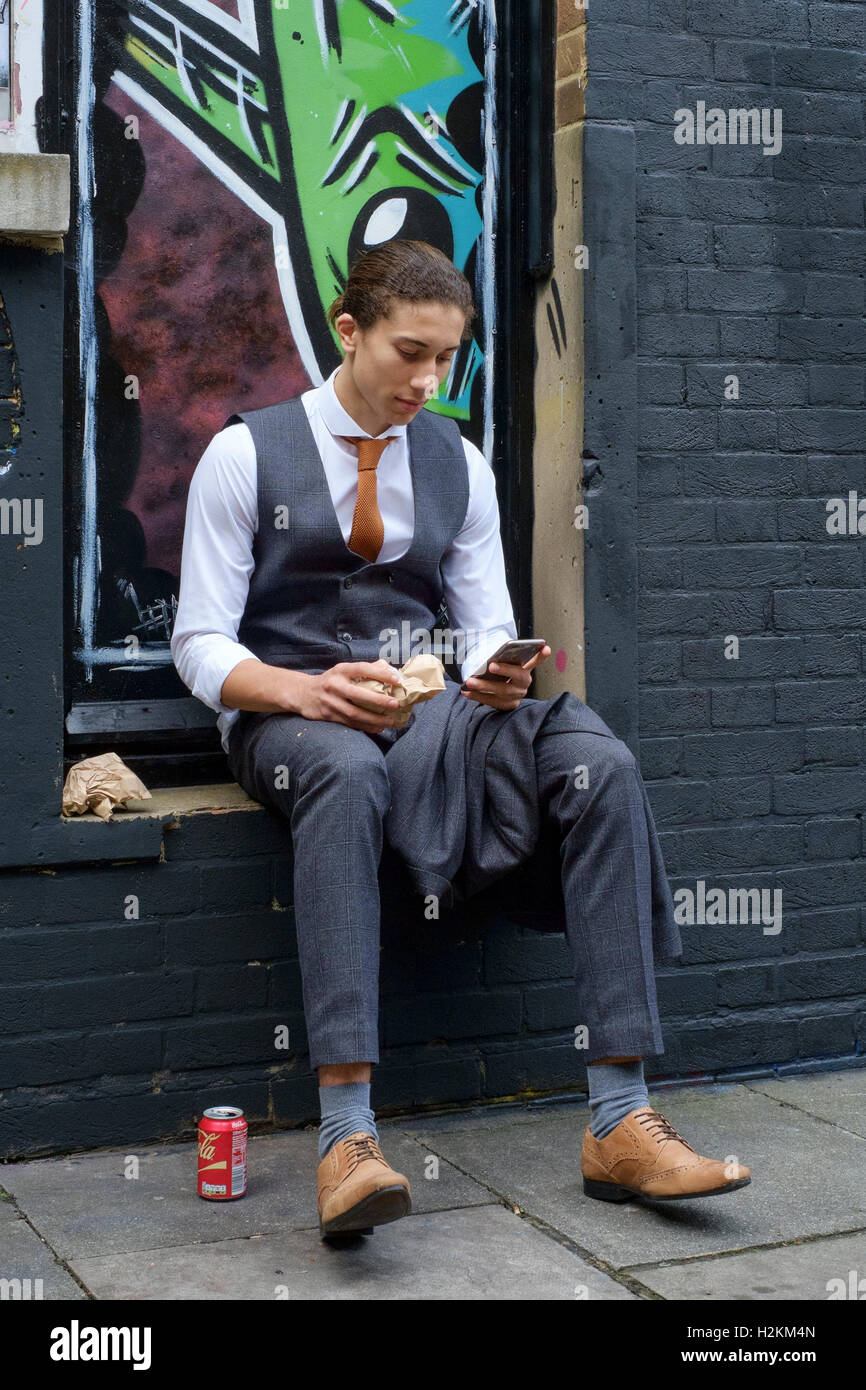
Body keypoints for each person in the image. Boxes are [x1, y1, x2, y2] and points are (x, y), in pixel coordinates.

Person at [171, 239, 751, 1238]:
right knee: (346, 773)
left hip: (433, 715)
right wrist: (306, 691)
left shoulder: (457, 461)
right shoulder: (244, 453)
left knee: (596, 763)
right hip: (287, 720)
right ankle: (347, 1136)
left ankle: (618, 1115)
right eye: (409, 353)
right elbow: (197, 644)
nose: (428, 380)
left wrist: (495, 671)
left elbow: (483, 622)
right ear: (347, 333)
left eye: (446, 357)